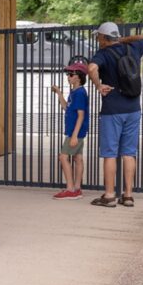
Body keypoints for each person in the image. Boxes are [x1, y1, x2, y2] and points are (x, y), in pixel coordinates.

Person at [87, 22, 143, 208]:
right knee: (129, 153)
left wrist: (98, 85)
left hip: (112, 110)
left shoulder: (103, 54)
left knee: (110, 154)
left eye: (99, 37)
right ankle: (128, 196)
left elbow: (91, 69)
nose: (97, 40)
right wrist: (122, 39)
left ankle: (109, 195)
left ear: (104, 38)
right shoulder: (133, 47)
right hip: (133, 109)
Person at [50, 62, 89, 199]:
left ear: (79, 77)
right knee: (77, 158)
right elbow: (66, 107)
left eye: (71, 74)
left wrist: (74, 136)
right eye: (68, 74)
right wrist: (59, 93)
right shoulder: (75, 92)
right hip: (76, 132)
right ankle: (77, 189)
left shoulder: (79, 93)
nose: (68, 77)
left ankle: (70, 189)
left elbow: (81, 115)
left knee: (63, 156)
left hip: (75, 132)